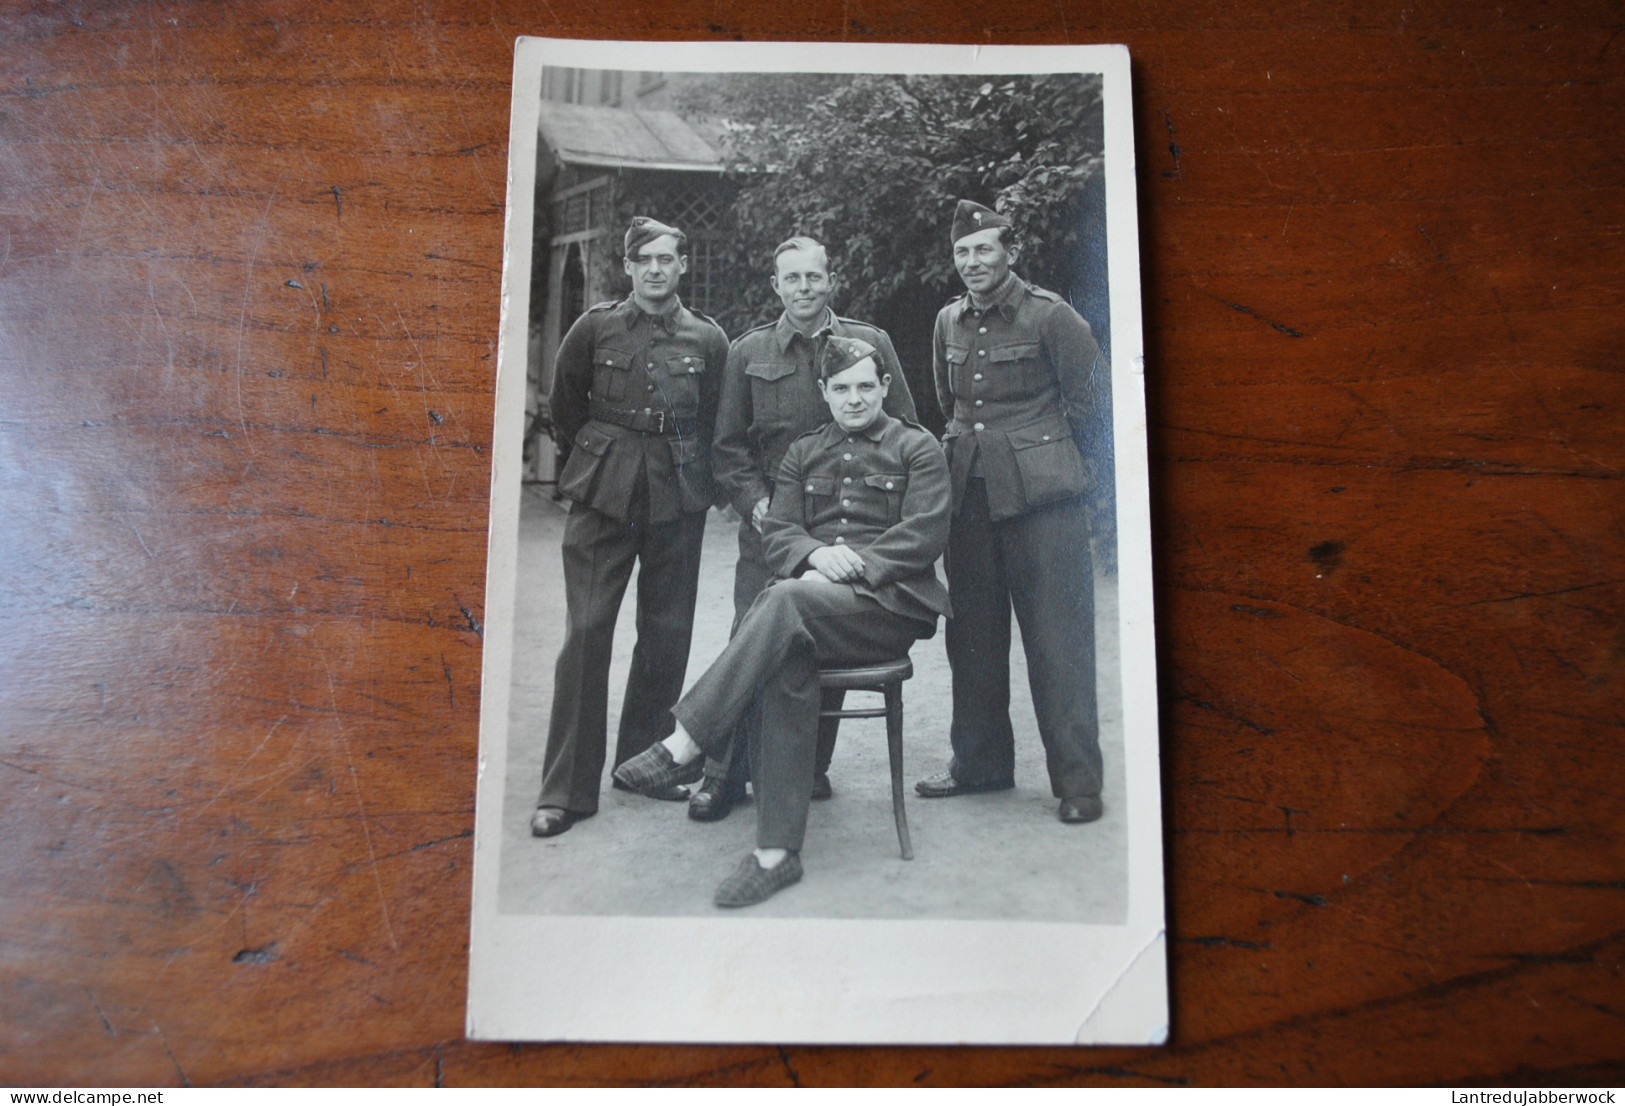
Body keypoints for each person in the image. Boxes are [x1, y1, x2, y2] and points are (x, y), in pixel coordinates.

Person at [613, 337, 950, 907]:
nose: (854, 398)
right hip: (809, 603)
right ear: (823, 392)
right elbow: (780, 532)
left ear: (886, 387)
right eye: (841, 388)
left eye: (866, 386)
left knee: (781, 604)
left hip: (885, 610)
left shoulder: (916, 448)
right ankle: (776, 853)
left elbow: (923, 535)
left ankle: (686, 742)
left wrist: (851, 569)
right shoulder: (803, 452)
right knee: (787, 650)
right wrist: (814, 558)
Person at [693, 236, 918, 823]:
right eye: (791, 278)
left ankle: (806, 767)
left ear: (830, 279)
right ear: (776, 285)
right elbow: (727, 448)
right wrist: (758, 504)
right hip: (774, 527)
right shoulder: (749, 352)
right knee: (751, 635)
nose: (803, 288)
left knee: (823, 644)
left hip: (852, 531)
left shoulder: (870, 345)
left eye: (813, 277)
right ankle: (722, 775)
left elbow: (907, 432)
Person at [529, 216, 729, 839]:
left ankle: (641, 765)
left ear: (683, 267)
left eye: (667, 259)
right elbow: (565, 406)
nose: (655, 270)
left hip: (677, 496)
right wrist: (596, 462)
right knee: (587, 632)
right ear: (629, 265)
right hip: (604, 496)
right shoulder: (595, 328)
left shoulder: (708, 338)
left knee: (665, 632)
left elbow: (717, 419)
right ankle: (565, 789)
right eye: (644, 259)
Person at [914, 199, 1107, 825]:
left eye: (984, 249)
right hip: (969, 498)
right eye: (962, 252)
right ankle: (980, 765)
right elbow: (951, 406)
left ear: (1010, 251)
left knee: (1058, 642)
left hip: (1045, 504)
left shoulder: (1052, 317)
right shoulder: (948, 321)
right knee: (972, 637)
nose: (972, 262)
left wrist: (1058, 473)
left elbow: (1092, 409)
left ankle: (1078, 782)